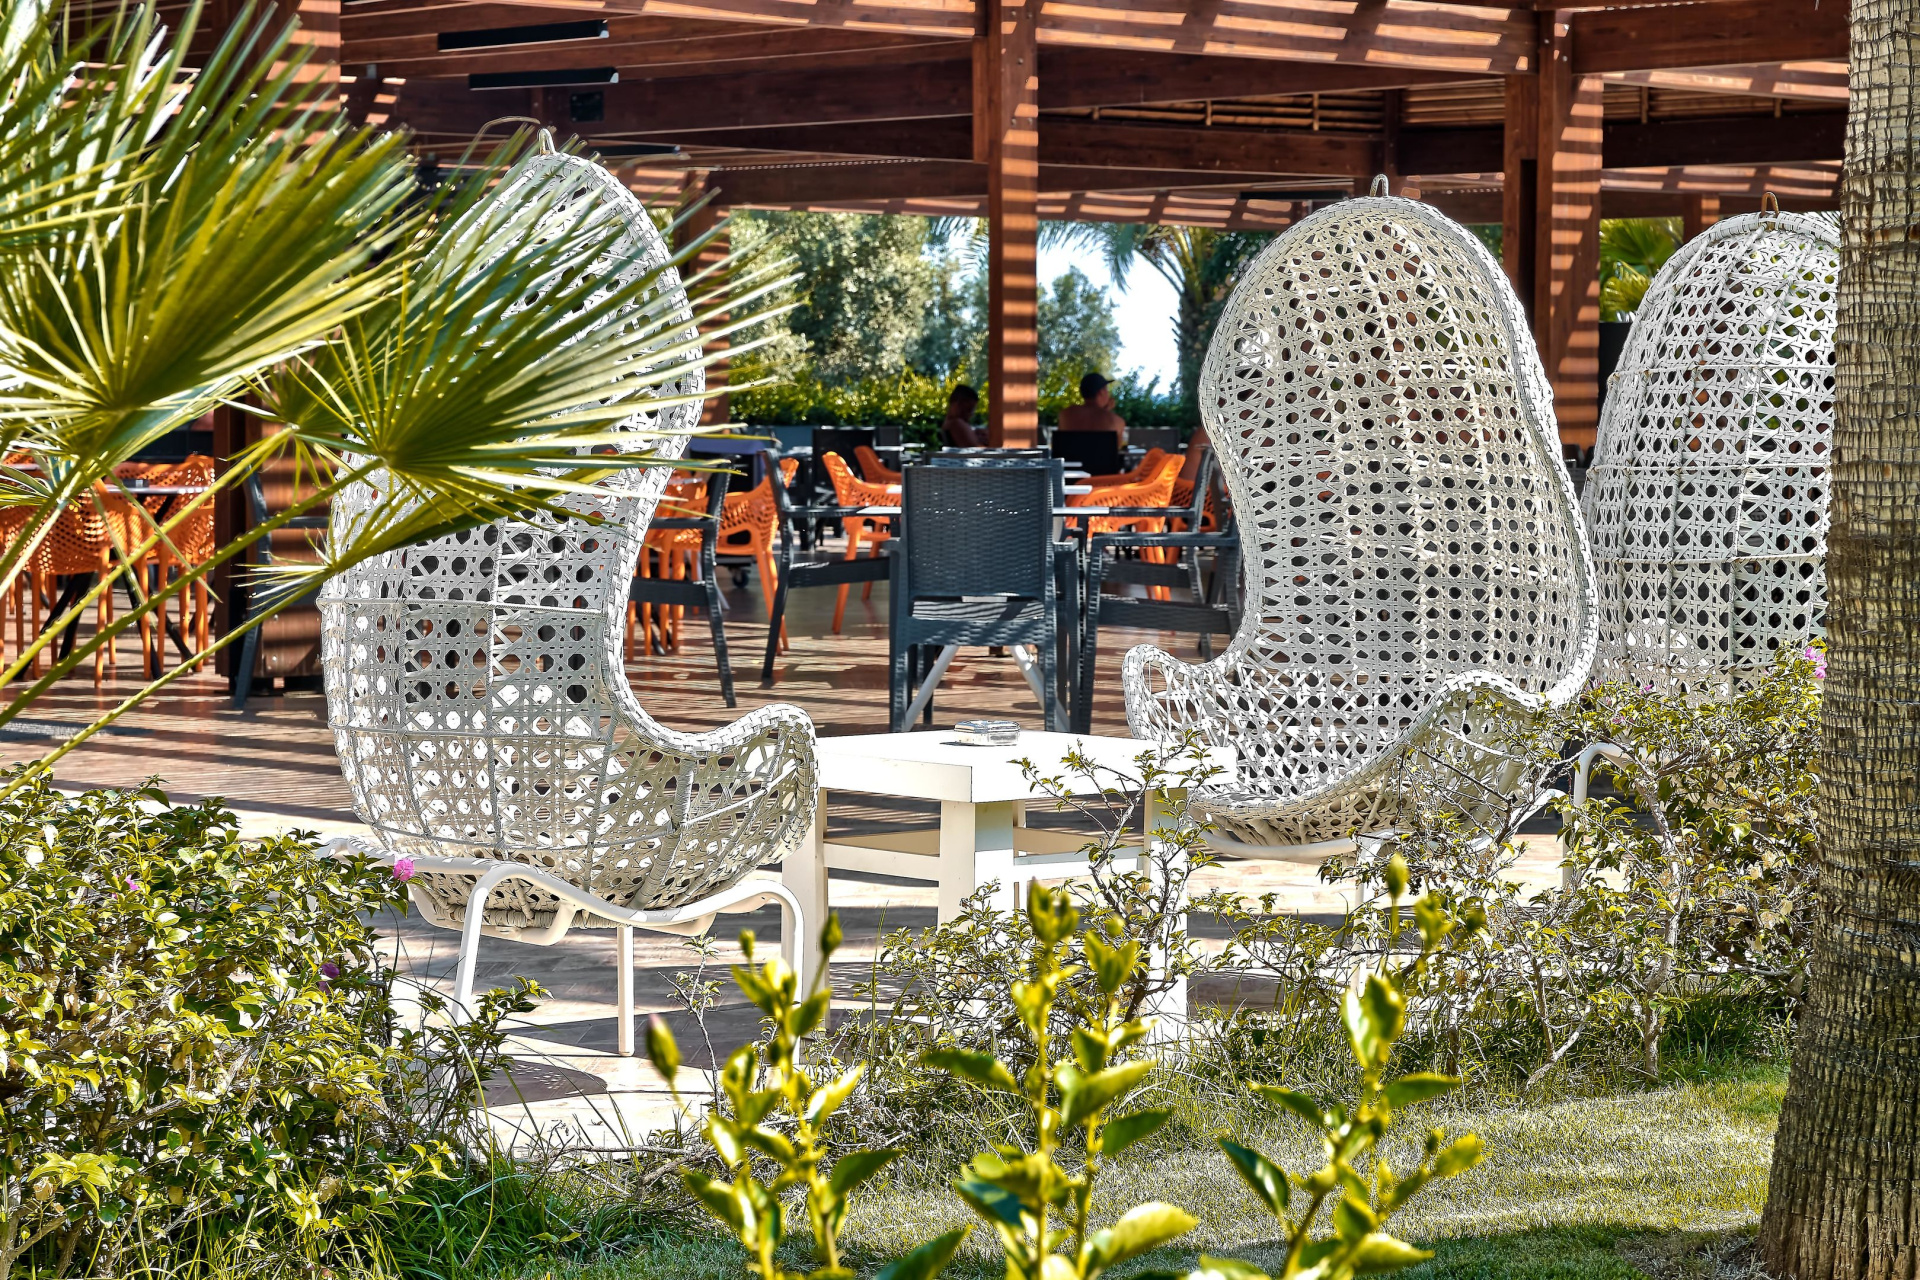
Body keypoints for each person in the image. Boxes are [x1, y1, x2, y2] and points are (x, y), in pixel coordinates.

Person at [1056, 372, 1127, 446]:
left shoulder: (1065, 415)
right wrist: (1106, 411)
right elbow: (1115, 449)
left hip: (1071, 454)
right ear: (1101, 392)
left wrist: (1105, 410)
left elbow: (1061, 444)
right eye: (1107, 390)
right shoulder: (1117, 422)